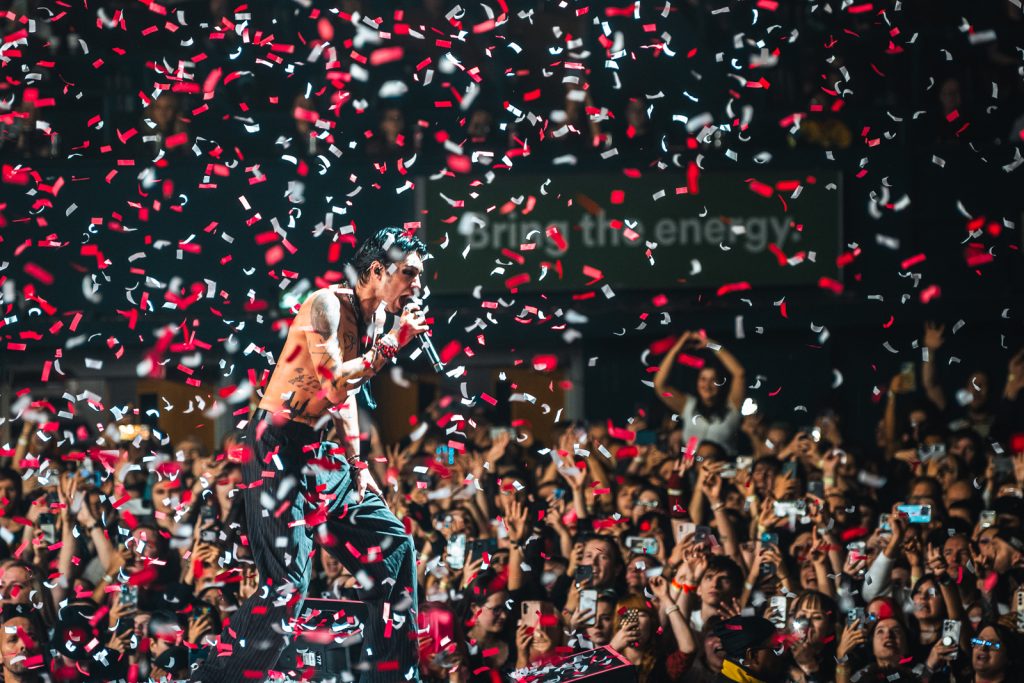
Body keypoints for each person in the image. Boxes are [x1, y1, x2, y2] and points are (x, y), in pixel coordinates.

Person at [191, 226, 430, 683]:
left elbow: (347, 399)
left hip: (326, 454)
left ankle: (393, 677)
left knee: (394, 546)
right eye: (410, 274)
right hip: (278, 451)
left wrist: (358, 463)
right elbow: (334, 382)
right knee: (286, 586)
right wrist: (393, 345)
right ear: (377, 270)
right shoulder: (324, 305)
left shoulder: (377, 319)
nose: (417, 286)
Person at [653, 330, 746, 455]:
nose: (707, 385)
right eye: (703, 379)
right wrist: (677, 347)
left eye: (713, 380)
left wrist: (710, 344)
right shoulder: (688, 405)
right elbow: (659, 385)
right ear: (696, 383)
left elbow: (739, 373)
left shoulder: (732, 405)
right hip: (692, 471)